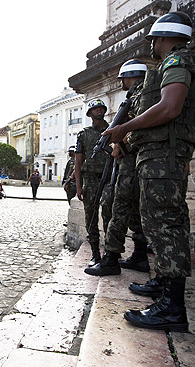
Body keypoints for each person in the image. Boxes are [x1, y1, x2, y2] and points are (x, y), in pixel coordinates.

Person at [102, 12, 195, 332]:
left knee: (165, 224)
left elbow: (170, 107)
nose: (152, 46)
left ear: (162, 38)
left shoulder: (176, 61)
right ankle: (165, 288)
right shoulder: (190, 62)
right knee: (165, 223)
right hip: (168, 154)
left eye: (153, 40)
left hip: (163, 155)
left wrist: (124, 127)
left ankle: (171, 307)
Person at [85, 59, 150, 276]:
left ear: (129, 76)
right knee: (132, 211)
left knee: (120, 207)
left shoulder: (142, 95)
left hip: (131, 164)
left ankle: (111, 257)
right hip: (137, 162)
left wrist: (121, 142)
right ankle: (139, 255)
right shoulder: (142, 95)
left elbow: (143, 129)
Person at [74, 99, 114, 267]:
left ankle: (111, 253)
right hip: (90, 181)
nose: (98, 110)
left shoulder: (113, 130)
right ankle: (95, 253)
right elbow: (78, 162)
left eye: (101, 108)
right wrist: (78, 186)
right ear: (90, 114)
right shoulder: (84, 134)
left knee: (108, 215)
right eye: (95, 108)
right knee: (91, 218)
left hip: (108, 180)